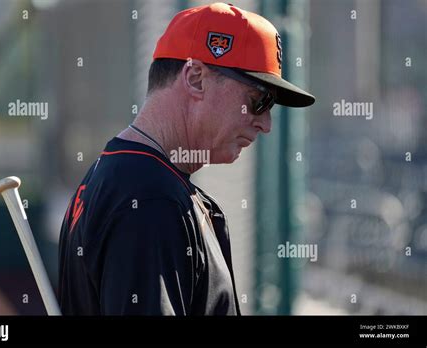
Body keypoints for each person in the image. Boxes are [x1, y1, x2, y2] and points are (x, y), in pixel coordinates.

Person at [58, 2, 315, 315]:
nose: (266, 124)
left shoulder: (117, 172)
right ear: (195, 78)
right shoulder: (151, 199)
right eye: (258, 101)